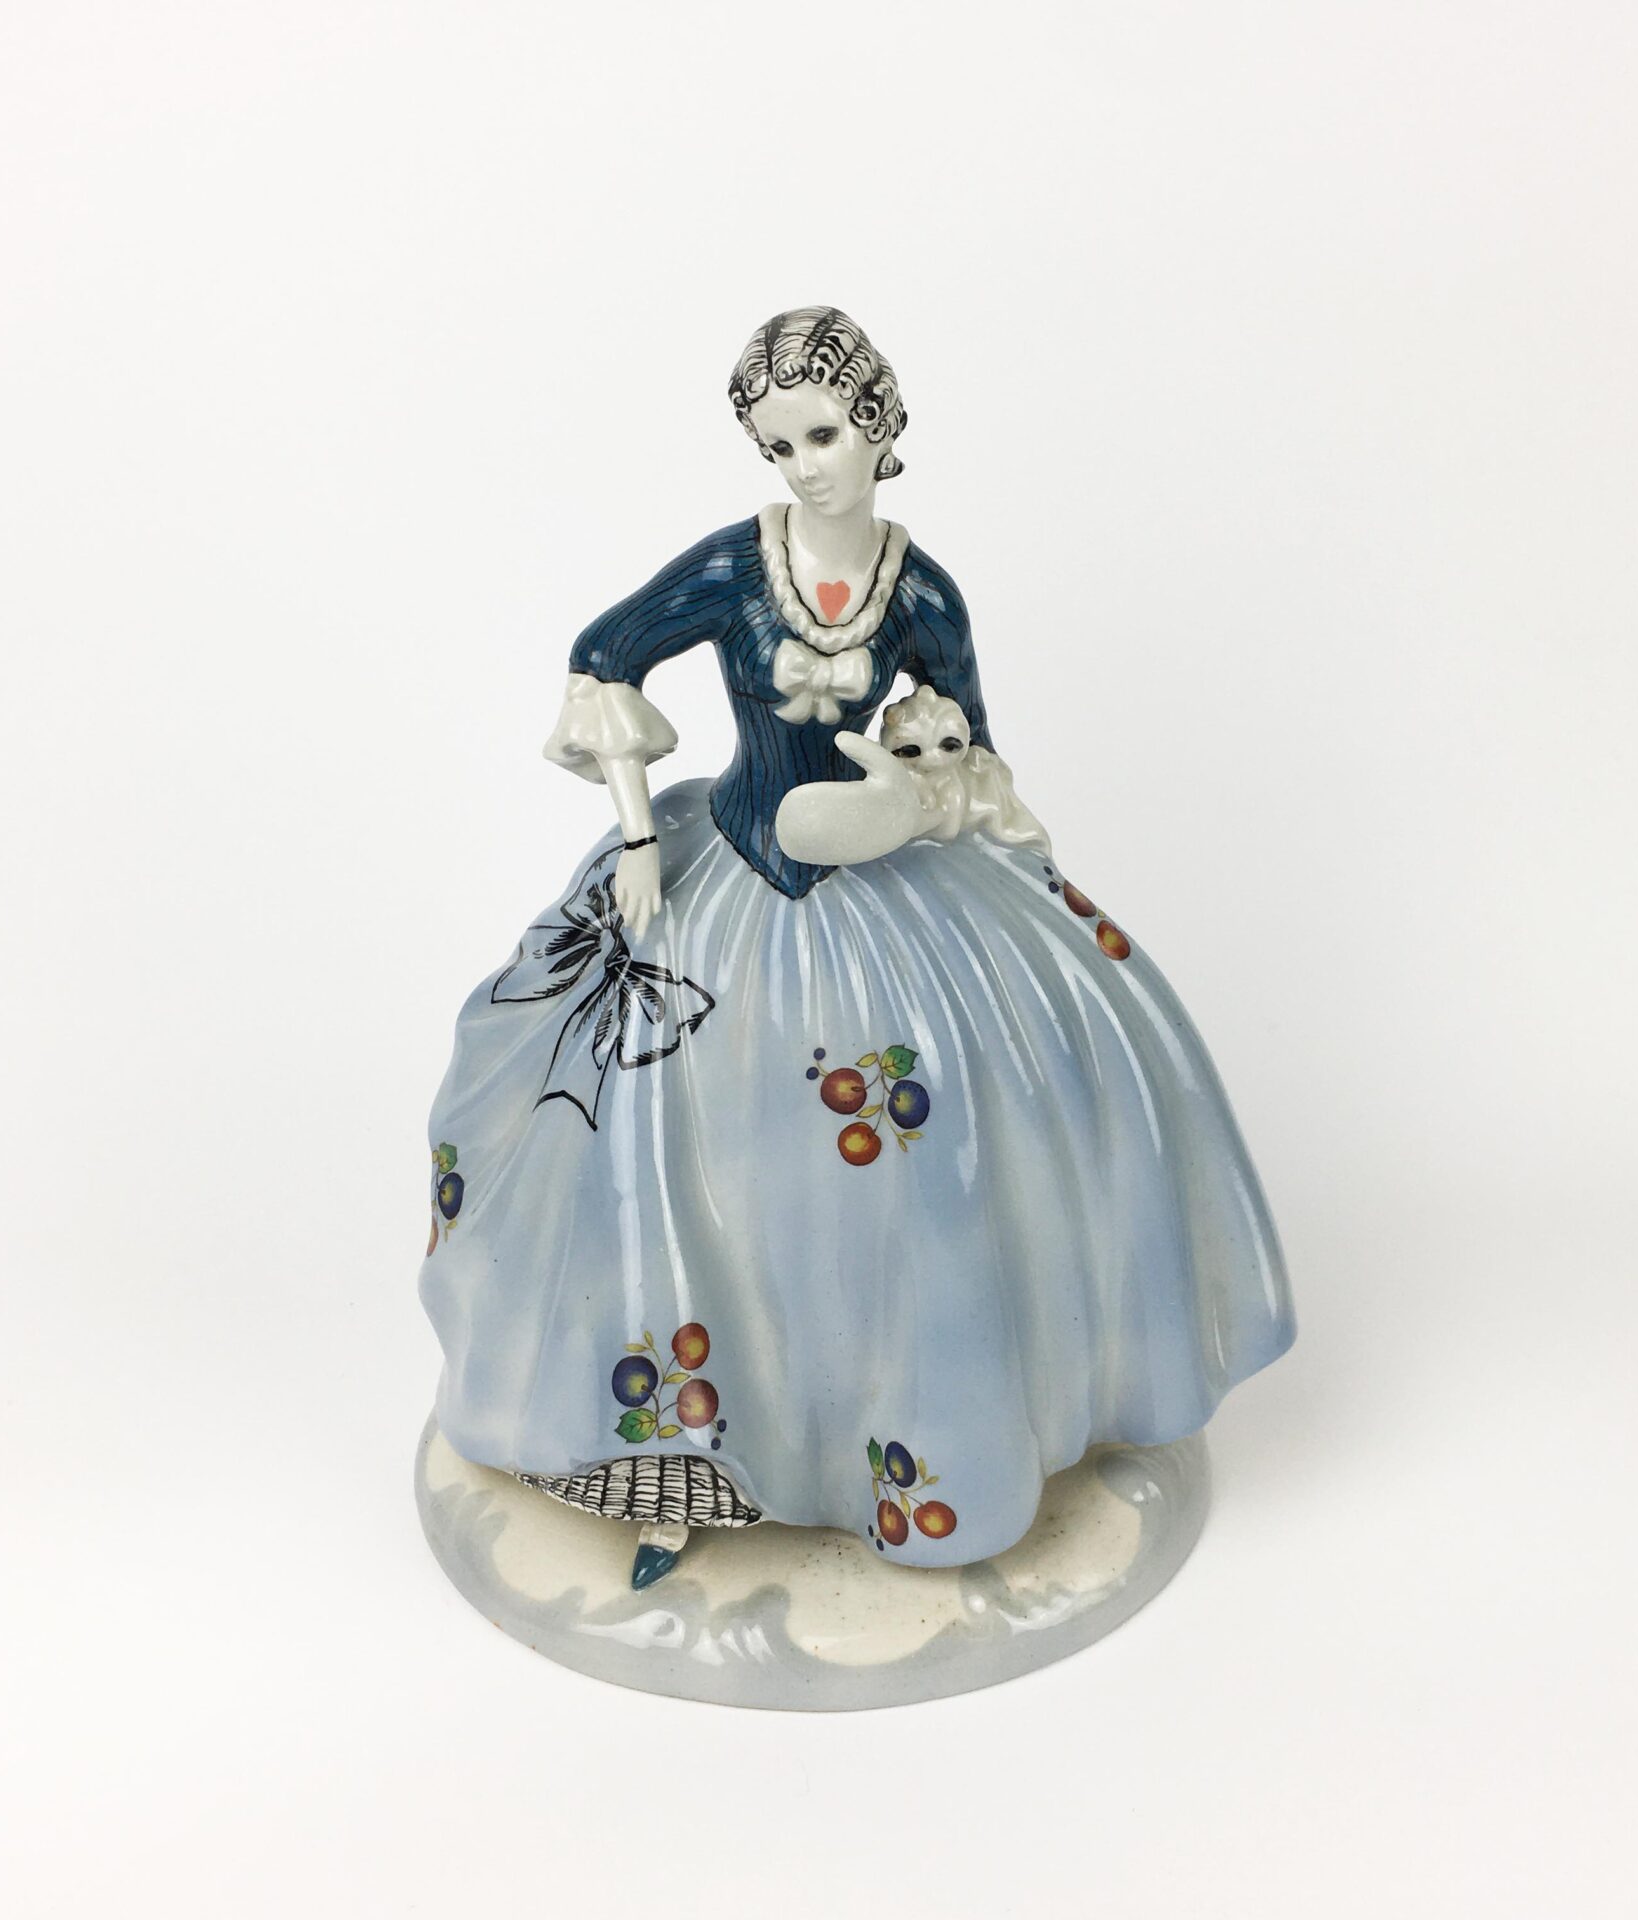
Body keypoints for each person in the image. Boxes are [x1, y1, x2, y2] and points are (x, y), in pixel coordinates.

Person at [419, 307, 1293, 1589]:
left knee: (939, 1149)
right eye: (781, 447)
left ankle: (909, 1418)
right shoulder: (736, 568)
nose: (806, 466)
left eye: (824, 435)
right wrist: (639, 838)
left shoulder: (921, 593)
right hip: (733, 865)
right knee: (646, 1126)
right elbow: (606, 655)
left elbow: (963, 744)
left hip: (874, 872)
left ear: (877, 427)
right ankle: (675, 1454)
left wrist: (927, 809)